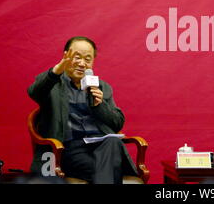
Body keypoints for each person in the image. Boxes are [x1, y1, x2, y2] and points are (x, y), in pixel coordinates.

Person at [28, 36, 138, 184]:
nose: (82, 63)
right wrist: (55, 72)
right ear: (66, 56)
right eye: (77, 57)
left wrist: (99, 105)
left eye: (88, 59)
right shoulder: (52, 84)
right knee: (110, 169)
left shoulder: (101, 87)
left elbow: (117, 122)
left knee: (113, 141)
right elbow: (34, 91)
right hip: (70, 150)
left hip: (101, 146)